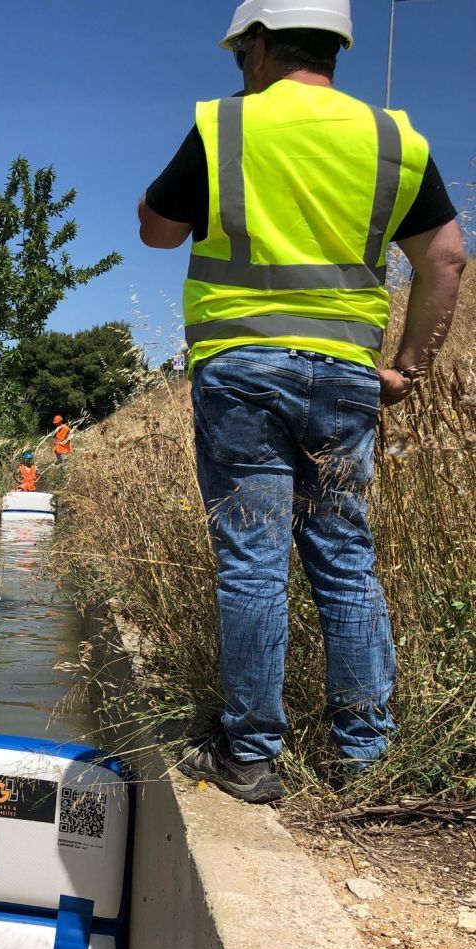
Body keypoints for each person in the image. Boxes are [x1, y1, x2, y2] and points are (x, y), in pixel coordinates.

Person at [138, 0, 465, 804]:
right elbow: (447, 259)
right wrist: (407, 368)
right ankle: (367, 758)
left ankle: (253, 757)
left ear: (256, 47)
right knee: (346, 559)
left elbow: (156, 230)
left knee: (253, 561)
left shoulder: (228, 126)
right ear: (335, 49)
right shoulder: (394, 139)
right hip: (348, 377)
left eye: (239, 53)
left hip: (243, 371)